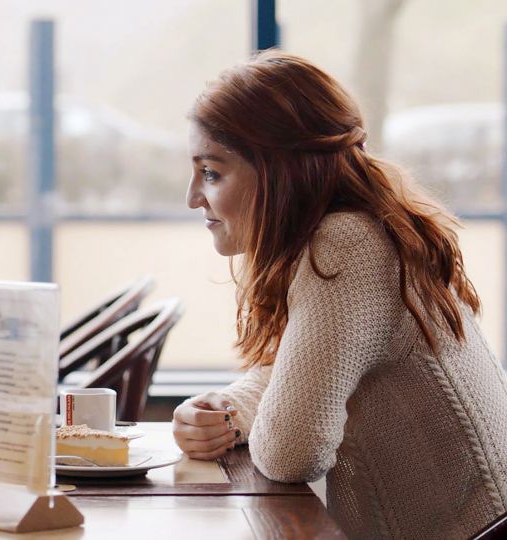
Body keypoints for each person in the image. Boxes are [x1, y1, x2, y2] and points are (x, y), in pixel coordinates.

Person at [171, 50, 507, 539]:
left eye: (211, 172)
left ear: (277, 171)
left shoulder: (347, 247)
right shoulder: (355, 233)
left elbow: (290, 452)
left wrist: (250, 415)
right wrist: (225, 412)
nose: (193, 197)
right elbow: (306, 367)